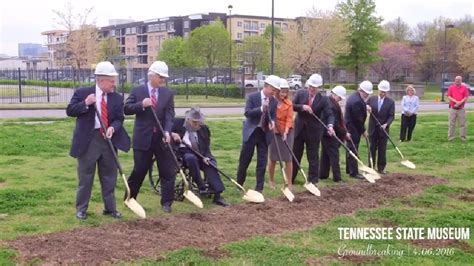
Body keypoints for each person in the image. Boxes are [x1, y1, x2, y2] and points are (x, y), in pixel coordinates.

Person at [66, 61, 131, 220]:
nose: (114, 83)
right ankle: (81, 209)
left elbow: (119, 118)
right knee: (85, 177)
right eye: (111, 80)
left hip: (107, 141)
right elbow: (70, 111)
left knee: (109, 177)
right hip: (89, 141)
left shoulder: (116, 98)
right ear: (100, 81)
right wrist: (86, 103)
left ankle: (110, 209)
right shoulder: (83, 93)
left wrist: (113, 128)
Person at [124, 61, 176, 213]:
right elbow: (126, 109)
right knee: (139, 170)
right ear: (151, 75)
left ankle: (167, 202)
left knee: (167, 170)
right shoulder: (138, 91)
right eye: (160, 77)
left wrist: (167, 131)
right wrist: (141, 104)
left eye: (164, 78)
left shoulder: (167, 94)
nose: (163, 80)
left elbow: (169, 115)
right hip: (143, 138)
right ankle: (130, 198)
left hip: (161, 139)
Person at [170, 107, 229, 207]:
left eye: (199, 122)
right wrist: (172, 134)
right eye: (194, 122)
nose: (197, 125)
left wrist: (207, 157)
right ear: (188, 119)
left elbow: (206, 146)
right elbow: (162, 130)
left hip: (200, 153)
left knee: (210, 163)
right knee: (190, 158)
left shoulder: (204, 129)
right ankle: (201, 186)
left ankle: (218, 195)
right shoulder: (176, 123)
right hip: (182, 153)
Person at [236, 75, 279, 192]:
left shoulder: (274, 101)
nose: (273, 93)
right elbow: (247, 113)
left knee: (262, 161)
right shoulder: (252, 97)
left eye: (275, 91)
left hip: (264, 134)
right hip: (251, 132)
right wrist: (261, 109)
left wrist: (273, 122)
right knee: (245, 160)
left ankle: (259, 188)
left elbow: (274, 115)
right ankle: (239, 184)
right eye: (272, 90)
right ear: (266, 86)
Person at [291, 73, 334, 184]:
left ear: (318, 88)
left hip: (314, 132)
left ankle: (313, 180)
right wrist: (302, 107)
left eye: (314, 88)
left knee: (313, 157)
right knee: (295, 155)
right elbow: (291, 105)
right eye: (310, 86)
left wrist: (330, 126)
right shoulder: (300, 94)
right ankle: (290, 179)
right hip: (299, 130)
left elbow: (329, 114)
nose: (311, 89)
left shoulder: (324, 100)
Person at [268, 79, 294, 190]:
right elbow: (269, 115)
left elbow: (289, 119)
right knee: (273, 157)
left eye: (286, 92)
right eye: (282, 91)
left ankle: (289, 183)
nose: (283, 94)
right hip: (274, 131)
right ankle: (271, 180)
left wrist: (286, 132)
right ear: (277, 91)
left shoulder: (289, 103)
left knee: (288, 158)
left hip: (287, 132)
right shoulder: (272, 101)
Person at [344, 80, 373, 179]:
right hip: (353, 128)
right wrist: (363, 131)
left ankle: (349, 169)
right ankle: (354, 172)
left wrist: (366, 107)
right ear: (362, 91)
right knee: (353, 149)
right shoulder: (356, 101)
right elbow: (358, 120)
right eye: (367, 93)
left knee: (350, 149)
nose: (368, 95)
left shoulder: (355, 96)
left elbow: (361, 107)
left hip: (350, 126)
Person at [319, 86, 348, 182]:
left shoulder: (329, 101)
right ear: (334, 94)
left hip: (324, 132)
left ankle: (323, 174)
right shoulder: (331, 105)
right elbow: (334, 122)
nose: (340, 100)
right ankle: (337, 178)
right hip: (329, 133)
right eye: (339, 98)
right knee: (334, 155)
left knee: (325, 154)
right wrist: (344, 133)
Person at [366, 80, 395, 175]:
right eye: (381, 91)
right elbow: (364, 106)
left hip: (383, 130)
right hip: (372, 129)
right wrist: (367, 107)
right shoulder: (371, 99)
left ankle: (381, 168)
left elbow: (391, 116)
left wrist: (386, 124)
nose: (382, 93)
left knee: (382, 149)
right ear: (378, 90)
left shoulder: (390, 102)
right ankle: (370, 167)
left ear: (387, 92)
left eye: (384, 92)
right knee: (372, 148)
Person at [447, 76, 469, 141]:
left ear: (461, 81)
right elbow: (449, 96)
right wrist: (456, 102)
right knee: (451, 123)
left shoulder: (464, 88)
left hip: (461, 109)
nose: (457, 81)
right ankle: (451, 137)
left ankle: (463, 137)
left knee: (462, 124)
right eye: (456, 80)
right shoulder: (451, 88)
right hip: (453, 108)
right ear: (454, 80)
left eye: (459, 80)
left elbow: (466, 97)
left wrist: (460, 103)